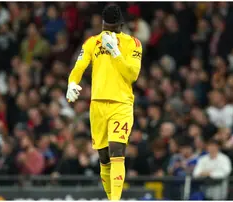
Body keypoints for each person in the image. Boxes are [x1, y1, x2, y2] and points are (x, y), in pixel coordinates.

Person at [66, 4, 142, 201]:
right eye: (105, 27)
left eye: (112, 27)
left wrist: (116, 52)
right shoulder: (92, 42)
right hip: (97, 104)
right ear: (101, 24)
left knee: (117, 150)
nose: (108, 31)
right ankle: (110, 197)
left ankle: (115, 200)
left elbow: (132, 75)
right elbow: (79, 65)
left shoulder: (133, 43)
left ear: (120, 25)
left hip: (121, 104)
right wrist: (72, 83)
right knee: (103, 157)